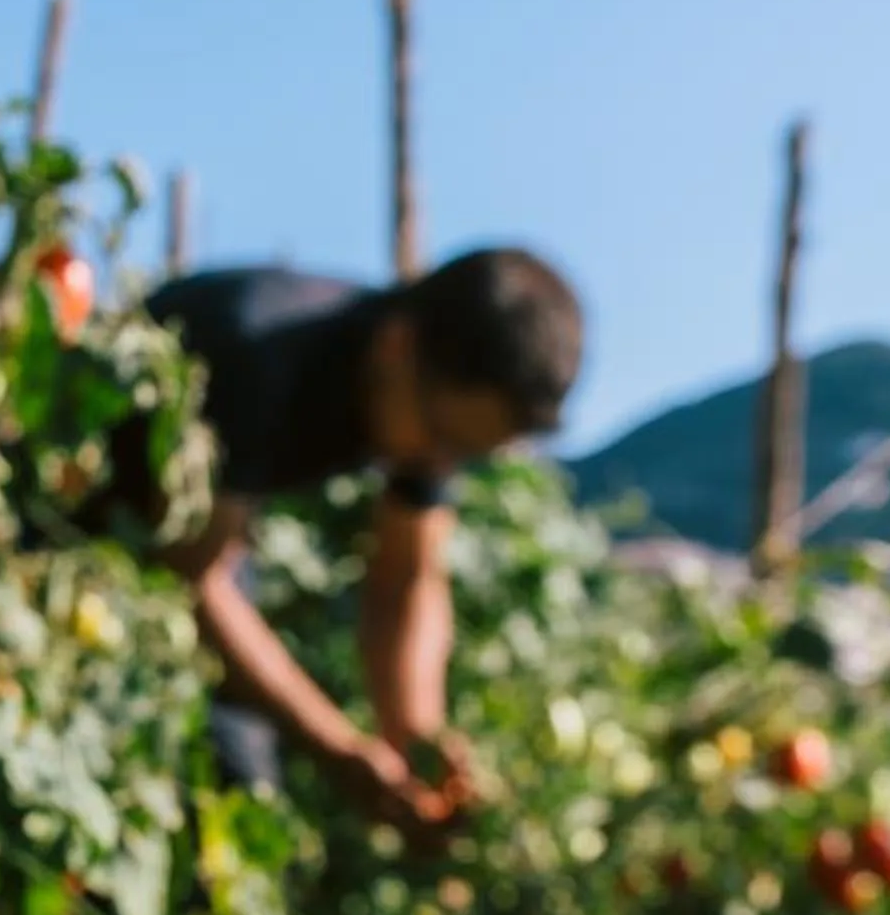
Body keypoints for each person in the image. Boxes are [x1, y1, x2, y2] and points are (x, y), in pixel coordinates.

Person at [143, 246, 584, 846]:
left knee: (242, 792)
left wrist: (416, 742)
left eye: (466, 454)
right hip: (77, 511)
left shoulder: (422, 403)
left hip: (192, 544)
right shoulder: (256, 353)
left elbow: (408, 578)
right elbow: (191, 579)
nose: (440, 463)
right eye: (444, 437)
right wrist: (338, 747)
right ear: (398, 345)